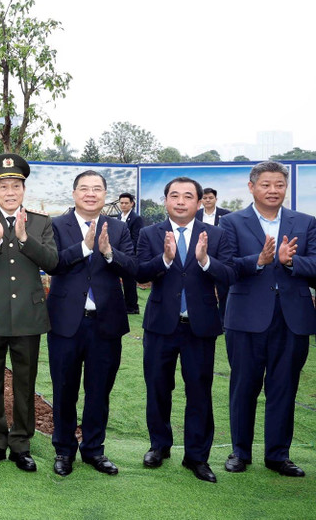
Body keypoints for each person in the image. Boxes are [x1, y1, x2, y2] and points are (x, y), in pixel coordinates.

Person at [219, 161, 316, 478]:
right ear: (252, 187)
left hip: (292, 320)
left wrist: (291, 262)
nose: (273, 190)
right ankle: (240, 452)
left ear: (286, 187)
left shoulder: (306, 222)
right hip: (246, 319)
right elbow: (225, 268)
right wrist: (258, 261)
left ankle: (278, 456)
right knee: (243, 387)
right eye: (266, 184)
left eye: (279, 184)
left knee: (283, 388)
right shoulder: (231, 222)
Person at [136, 177, 235, 483]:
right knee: (157, 388)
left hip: (200, 327)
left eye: (188, 196)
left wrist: (205, 261)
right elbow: (139, 272)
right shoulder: (149, 233)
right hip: (160, 326)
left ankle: (197, 456)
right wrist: (164, 259)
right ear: (166, 200)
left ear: (199, 202)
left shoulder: (216, 234)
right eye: (175, 196)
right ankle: (159, 446)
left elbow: (230, 274)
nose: (181, 201)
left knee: (199, 391)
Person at [0, 154, 57, 472]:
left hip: (27, 316)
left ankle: (20, 443)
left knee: (25, 381)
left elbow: (52, 262)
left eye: (16, 186)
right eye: (3, 186)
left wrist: (24, 238)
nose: (10, 192)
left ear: (23, 190)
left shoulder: (40, 222)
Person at [46, 170, 136, 476]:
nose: (90, 194)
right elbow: (53, 263)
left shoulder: (118, 227)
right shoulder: (57, 225)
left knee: (99, 391)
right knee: (64, 389)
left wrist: (109, 253)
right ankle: (64, 449)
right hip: (65, 323)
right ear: (74, 194)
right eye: (84, 188)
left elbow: (132, 267)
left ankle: (94, 449)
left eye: (97, 189)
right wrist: (84, 247)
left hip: (106, 324)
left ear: (105, 195)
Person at [196, 187, 233, 318]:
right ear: (201, 200)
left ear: (216, 199)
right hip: (199, 255)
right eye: (205, 198)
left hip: (220, 255)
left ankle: (223, 319)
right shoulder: (196, 214)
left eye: (210, 198)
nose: (208, 200)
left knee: (223, 289)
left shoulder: (226, 215)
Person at [116, 193, 143, 314]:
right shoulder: (119, 216)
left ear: (132, 203)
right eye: (121, 203)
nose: (123, 205)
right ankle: (124, 304)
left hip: (129, 255)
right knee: (122, 280)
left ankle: (133, 307)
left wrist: (126, 251)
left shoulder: (136, 218)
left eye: (126, 203)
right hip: (119, 254)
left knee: (129, 282)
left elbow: (136, 239)